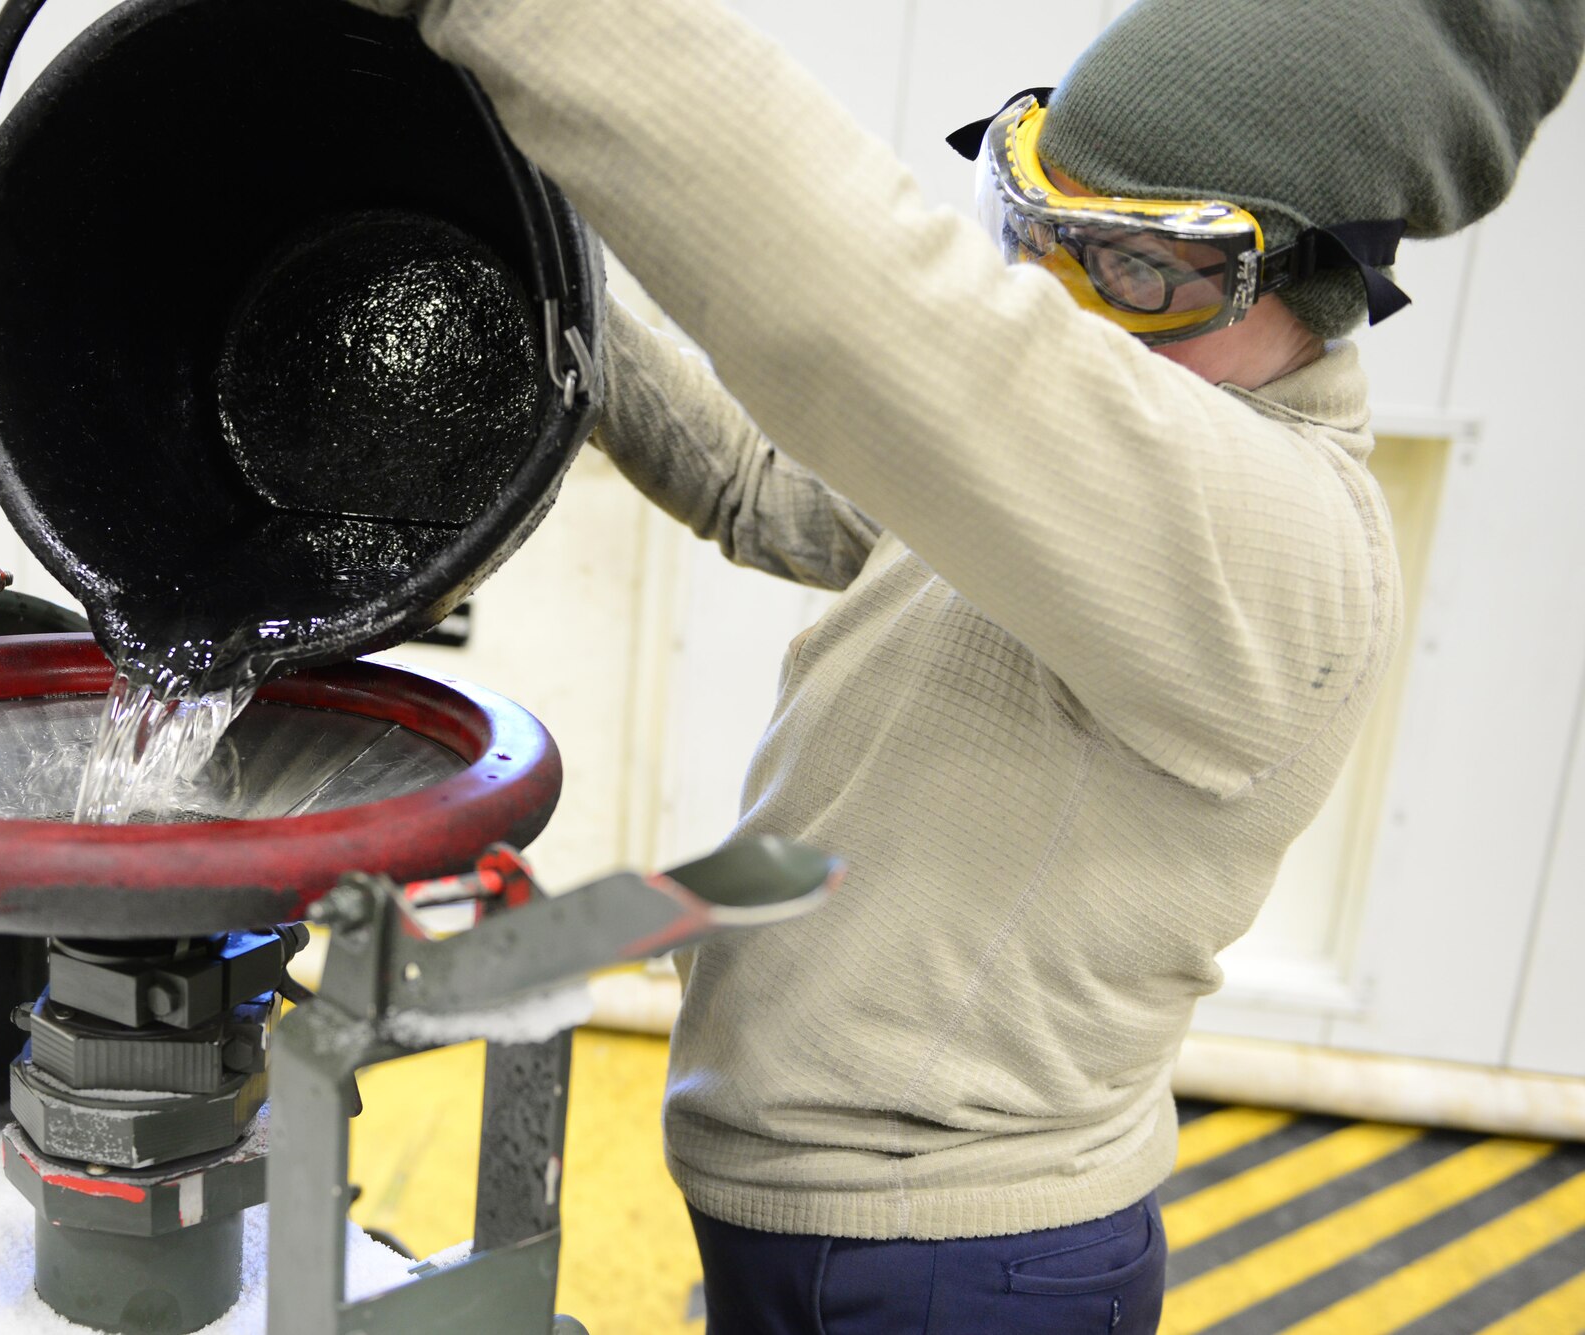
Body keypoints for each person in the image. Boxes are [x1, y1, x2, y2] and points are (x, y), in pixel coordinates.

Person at [342, 0, 1585, 1328]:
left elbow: (875, 319)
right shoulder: (1091, 492)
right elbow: (765, 484)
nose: (1065, 311)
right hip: (835, 1220)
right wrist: (531, 268)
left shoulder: (1260, 545)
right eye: (1038, 236)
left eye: (1134, 269)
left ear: (1321, 276)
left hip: (953, 1270)